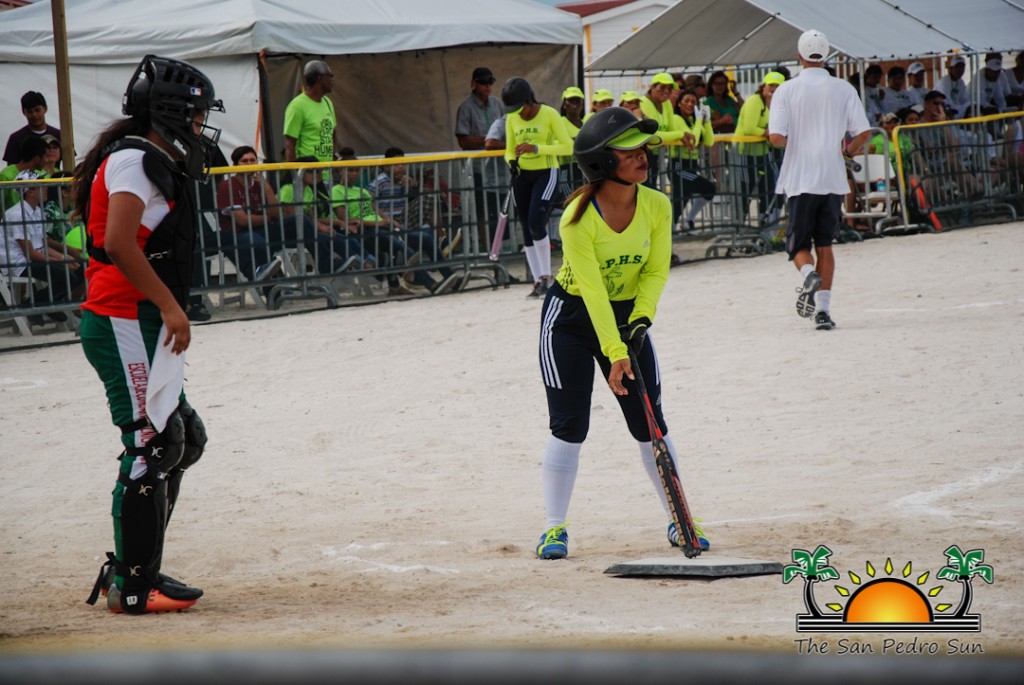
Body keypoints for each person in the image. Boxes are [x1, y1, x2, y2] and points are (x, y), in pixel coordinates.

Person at [74, 55, 224, 614]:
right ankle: (132, 585)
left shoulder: (148, 157)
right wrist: (169, 306)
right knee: (151, 445)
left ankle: (143, 564)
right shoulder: (135, 160)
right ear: (170, 112)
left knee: (182, 438)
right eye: (196, 114)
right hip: (122, 317)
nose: (200, 125)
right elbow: (118, 242)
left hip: (140, 320)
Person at [534, 107, 709, 560]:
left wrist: (641, 321)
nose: (642, 155)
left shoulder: (657, 205)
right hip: (571, 319)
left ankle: (679, 519)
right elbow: (592, 291)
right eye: (628, 150)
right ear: (601, 161)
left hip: (628, 317)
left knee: (651, 425)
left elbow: (655, 271)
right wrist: (616, 353)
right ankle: (554, 528)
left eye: (642, 147)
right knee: (570, 426)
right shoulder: (576, 218)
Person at [768, 30, 871, 331]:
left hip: (801, 177)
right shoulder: (843, 88)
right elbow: (864, 133)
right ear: (825, 55)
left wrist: (799, 143)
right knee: (825, 244)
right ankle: (823, 312)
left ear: (799, 56)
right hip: (832, 175)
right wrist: (845, 152)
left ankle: (808, 275)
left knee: (798, 245)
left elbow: (776, 137)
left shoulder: (786, 90)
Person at [502, 76, 573, 297]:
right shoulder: (512, 118)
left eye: (519, 107)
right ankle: (537, 280)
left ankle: (546, 276)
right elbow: (509, 149)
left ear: (528, 99)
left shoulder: (549, 114)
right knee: (525, 227)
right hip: (522, 175)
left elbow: (567, 147)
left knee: (536, 222)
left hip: (546, 172)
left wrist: (536, 149)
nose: (518, 113)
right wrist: (511, 161)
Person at [1, 169, 83, 321]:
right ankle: (34, 304)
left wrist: (65, 258)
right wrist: (61, 261)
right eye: (40, 184)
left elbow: (42, 245)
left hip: (33, 258)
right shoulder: (17, 215)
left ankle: (49, 302)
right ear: (30, 192)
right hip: (19, 264)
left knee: (82, 268)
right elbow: (30, 253)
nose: (45, 187)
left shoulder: (37, 210)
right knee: (67, 276)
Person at [735, 71, 784, 224]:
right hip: (745, 153)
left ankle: (765, 224)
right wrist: (767, 132)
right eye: (771, 85)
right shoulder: (754, 101)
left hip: (763, 152)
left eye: (778, 86)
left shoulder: (777, 104)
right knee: (745, 192)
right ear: (763, 86)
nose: (774, 88)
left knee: (773, 189)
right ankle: (739, 225)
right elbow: (749, 128)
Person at [671, 89, 716, 232]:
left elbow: (709, 141)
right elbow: (693, 140)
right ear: (679, 104)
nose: (690, 104)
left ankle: (685, 222)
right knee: (708, 188)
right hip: (678, 165)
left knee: (683, 197)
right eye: (686, 101)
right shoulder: (676, 119)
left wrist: (706, 122)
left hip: (691, 164)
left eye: (693, 102)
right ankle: (678, 225)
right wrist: (698, 121)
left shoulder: (693, 121)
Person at [283, 60, 341, 164]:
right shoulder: (297, 106)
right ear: (319, 78)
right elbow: (290, 145)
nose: (332, 79)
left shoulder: (328, 103)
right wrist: (295, 171)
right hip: (307, 172)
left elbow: (333, 133)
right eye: (330, 75)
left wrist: (333, 159)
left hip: (327, 170)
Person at [3, 91, 61, 167]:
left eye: (37, 110)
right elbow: (11, 168)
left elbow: (70, 162)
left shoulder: (59, 135)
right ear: (24, 112)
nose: (34, 115)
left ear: (45, 109)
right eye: (29, 111)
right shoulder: (16, 138)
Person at [454, 67, 503, 152]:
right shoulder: (465, 108)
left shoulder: (497, 103)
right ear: (474, 84)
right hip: (476, 159)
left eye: (490, 82)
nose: (487, 86)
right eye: (483, 82)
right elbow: (462, 141)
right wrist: (489, 141)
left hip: (497, 158)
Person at [1, 135, 47, 211]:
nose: (47, 160)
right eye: (45, 157)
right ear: (37, 159)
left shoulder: (40, 174)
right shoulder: (6, 175)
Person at [937, 55, 971, 119]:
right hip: (946, 111)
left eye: (962, 67)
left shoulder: (961, 82)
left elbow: (964, 99)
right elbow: (945, 101)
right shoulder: (944, 82)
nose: (960, 70)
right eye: (957, 67)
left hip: (957, 110)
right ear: (951, 68)